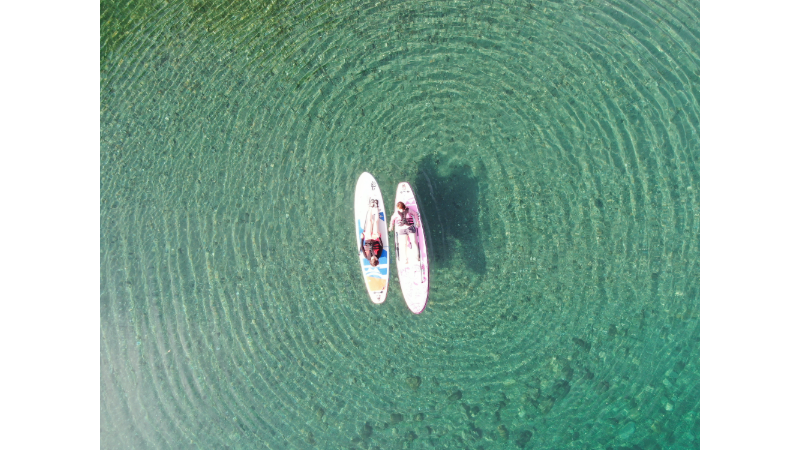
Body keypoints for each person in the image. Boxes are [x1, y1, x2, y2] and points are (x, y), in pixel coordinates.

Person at [361, 199, 383, 267]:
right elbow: (381, 246)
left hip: (367, 238)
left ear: (371, 260)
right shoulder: (378, 255)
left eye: (374, 258)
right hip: (375, 238)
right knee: (376, 222)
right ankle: (376, 207)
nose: (375, 257)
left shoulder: (367, 257)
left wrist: (362, 238)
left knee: (370, 221)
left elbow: (362, 247)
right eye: (376, 258)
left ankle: (370, 207)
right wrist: (379, 237)